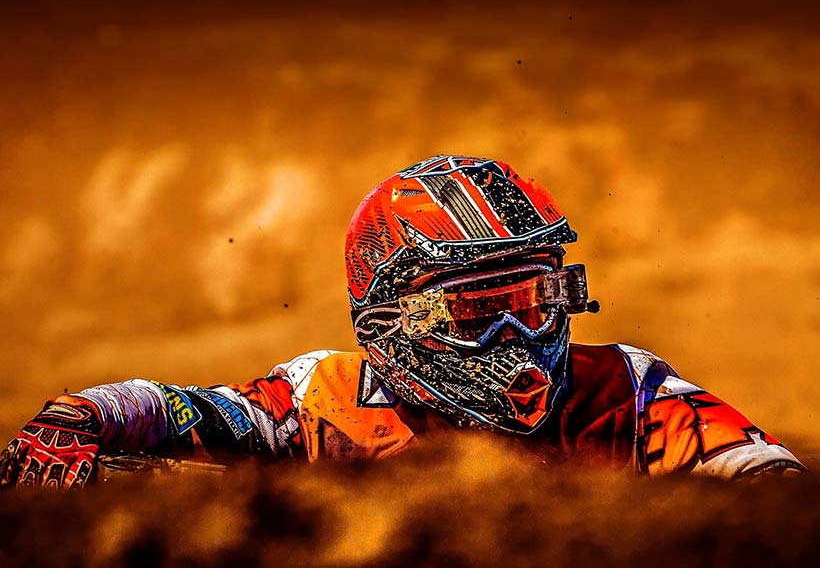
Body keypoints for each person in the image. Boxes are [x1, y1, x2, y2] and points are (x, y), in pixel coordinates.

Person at [0, 155, 805, 488]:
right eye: (479, 310)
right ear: (395, 322)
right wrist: (85, 415)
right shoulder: (326, 399)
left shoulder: (627, 388)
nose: (518, 336)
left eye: (535, 299)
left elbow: (768, 486)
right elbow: (181, 409)